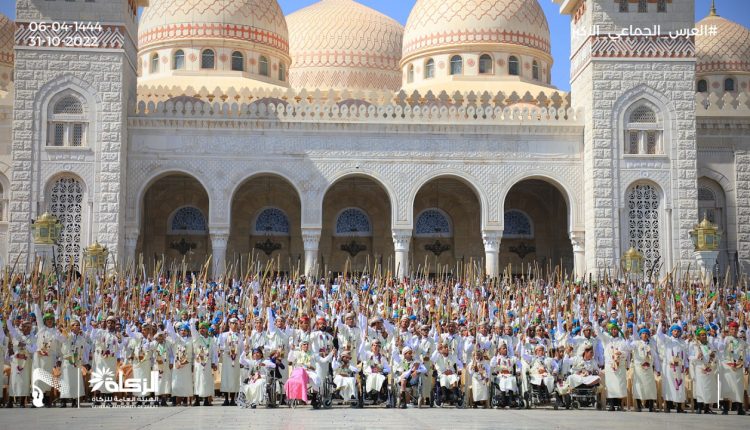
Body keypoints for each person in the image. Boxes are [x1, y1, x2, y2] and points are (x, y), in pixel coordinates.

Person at [596, 321, 630, 411]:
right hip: (610, 366)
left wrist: (620, 353)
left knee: (620, 385)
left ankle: (619, 405)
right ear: (610, 330)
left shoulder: (622, 341)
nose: (614, 331)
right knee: (610, 385)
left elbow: (627, 352)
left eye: (615, 329)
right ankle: (611, 405)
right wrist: (596, 321)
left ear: (618, 330)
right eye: (612, 329)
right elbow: (598, 333)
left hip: (620, 366)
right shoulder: (606, 340)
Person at [656, 323, 688, 413]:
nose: (676, 332)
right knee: (669, 386)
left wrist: (687, 366)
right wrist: (661, 322)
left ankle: (679, 407)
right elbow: (659, 333)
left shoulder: (683, 342)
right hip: (669, 368)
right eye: (674, 331)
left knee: (679, 387)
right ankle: (668, 406)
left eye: (678, 331)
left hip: (679, 368)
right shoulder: (667, 340)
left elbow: (685, 356)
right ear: (671, 331)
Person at [58, 318, 89, 408]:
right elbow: (60, 339)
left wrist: (85, 362)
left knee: (76, 381)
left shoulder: (82, 339)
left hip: (76, 361)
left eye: (78, 325)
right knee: (66, 380)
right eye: (74, 325)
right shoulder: (67, 335)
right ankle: (63, 400)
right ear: (71, 327)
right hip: (67, 360)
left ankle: (75, 400)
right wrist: (61, 329)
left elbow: (83, 351)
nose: (76, 326)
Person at [717, 321, 747, 415]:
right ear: (729, 330)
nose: (734, 331)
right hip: (728, 366)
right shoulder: (726, 339)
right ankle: (725, 408)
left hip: (738, 367)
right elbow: (720, 348)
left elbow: (745, 354)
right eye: (732, 329)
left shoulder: (742, 341)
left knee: (738, 388)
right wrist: (722, 338)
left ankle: (739, 408)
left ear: (737, 330)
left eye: (735, 329)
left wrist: (745, 365)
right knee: (727, 387)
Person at [7, 318, 36, 408]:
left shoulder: (33, 337)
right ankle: (10, 401)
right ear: (21, 327)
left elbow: (33, 349)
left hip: (26, 362)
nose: (25, 328)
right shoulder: (17, 334)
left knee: (24, 382)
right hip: (16, 361)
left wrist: (24, 345)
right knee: (14, 380)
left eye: (27, 327)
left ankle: (22, 402)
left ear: (30, 328)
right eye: (24, 326)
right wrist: (7, 318)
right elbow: (10, 329)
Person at [689, 327, 718, 414]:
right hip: (699, 368)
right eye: (702, 335)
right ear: (698, 336)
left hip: (709, 368)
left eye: (705, 334)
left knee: (709, 388)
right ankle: (699, 407)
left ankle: (706, 408)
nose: (704, 336)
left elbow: (715, 353)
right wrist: (696, 357)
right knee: (700, 388)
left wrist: (713, 356)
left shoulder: (710, 345)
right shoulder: (694, 345)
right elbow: (689, 357)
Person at [630, 327, 659, 412]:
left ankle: (650, 406)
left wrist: (658, 369)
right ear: (640, 335)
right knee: (639, 387)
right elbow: (628, 347)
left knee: (650, 387)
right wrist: (627, 338)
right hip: (639, 369)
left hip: (649, 368)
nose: (645, 335)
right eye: (643, 333)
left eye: (646, 333)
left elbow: (655, 357)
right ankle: (638, 406)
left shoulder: (651, 344)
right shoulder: (636, 343)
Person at [191, 321, 218, 406]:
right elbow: (193, 331)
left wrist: (214, 363)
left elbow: (214, 352)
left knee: (207, 381)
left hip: (208, 362)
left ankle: (206, 400)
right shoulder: (197, 338)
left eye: (203, 328)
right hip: (199, 362)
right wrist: (192, 319)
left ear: (207, 329)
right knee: (198, 380)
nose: (201, 330)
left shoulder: (211, 340)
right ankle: (197, 400)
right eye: (200, 328)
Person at [218, 317, 243, 406]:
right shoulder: (224, 335)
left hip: (236, 359)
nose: (234, 325)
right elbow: (220, 346)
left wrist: (241, 360)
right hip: (227, 358)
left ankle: (233, 399)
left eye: (236, 323)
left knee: (234, 378)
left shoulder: (240, 335)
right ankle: (226, 399)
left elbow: (242, 349)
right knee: (226, 378)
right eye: (233, 323)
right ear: (229, 324)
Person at [490, 340, 519, 409]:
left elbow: (519, 364)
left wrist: (518, 370)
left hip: (509, 375)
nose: (505, 349)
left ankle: (511, 400)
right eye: (503, 348)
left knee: (512, 380)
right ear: (499, 350)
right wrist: (494, 355)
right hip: (500, 375)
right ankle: (503, 399)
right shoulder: (497, 358)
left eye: (506, 348)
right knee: (503, 380)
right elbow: (492, 364)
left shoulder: (511, 358)